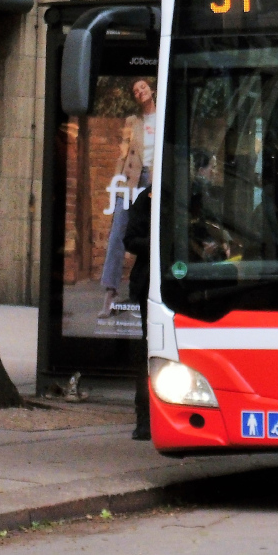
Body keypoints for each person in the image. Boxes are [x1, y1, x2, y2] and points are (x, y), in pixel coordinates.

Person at [100, 79, 157, 317]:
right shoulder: (132, 122)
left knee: (151, 236)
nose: (139, 92)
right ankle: (109, 294)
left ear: (152, 89)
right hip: (131, 179)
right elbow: (122, 155)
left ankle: (145, 294)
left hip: (154, 181)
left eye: (142, 87)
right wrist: (116, 183)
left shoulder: (164, 117)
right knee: (118, 233)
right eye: (135, 90)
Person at [122, 184, 152, 440]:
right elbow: (130, 240)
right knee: (148, 349)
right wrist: (159, 242)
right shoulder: (147, 199)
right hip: (150, 284)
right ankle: (144, 418)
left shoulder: (194, 195)